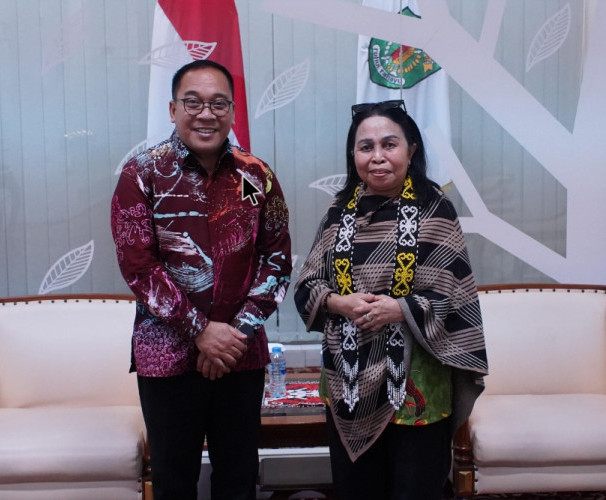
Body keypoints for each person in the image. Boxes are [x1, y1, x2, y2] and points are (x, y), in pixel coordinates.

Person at [110, 59, 292, 500]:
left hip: (239, 354)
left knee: (239, 478)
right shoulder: (142, 174)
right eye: (193, 103)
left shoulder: (256, 176)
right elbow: (139, 268)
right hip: (167, 355)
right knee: (173, 481)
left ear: (232, 112)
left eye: (218, 103)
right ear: (173, 109)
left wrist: (234, 334)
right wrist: (201, 331)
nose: (206, 114)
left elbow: (276, 259)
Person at [294, 100, 488, 500]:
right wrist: (339, 303)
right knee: (356, 489)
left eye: (389, 144)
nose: (377, 157)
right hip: (349, 379)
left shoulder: (436, 210)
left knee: (416, 487)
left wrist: (398, 309)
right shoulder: (338, 212)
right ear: (353, 155)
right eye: (366, 147)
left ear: (410, 151)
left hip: (417, 382)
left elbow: (451, 295)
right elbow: (307, 285)